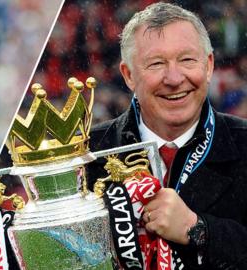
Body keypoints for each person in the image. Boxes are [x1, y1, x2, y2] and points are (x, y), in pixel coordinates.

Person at [87, 2, 247, 269]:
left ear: (208, 66)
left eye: (187, 60)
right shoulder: (87, 156)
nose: (174, 78)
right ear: (128, 75)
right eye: (156, 63)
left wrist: (198, 229)